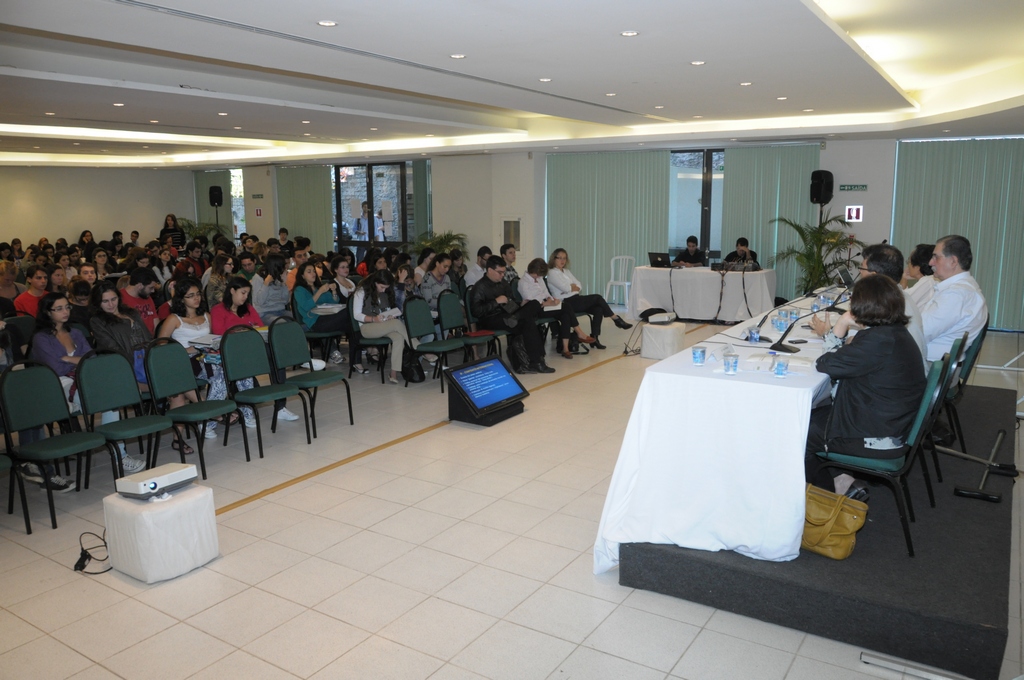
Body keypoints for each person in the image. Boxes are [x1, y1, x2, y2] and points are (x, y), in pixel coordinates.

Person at [805, 275, 927, 498]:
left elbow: (826, 364)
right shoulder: (893, 333)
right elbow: (843, 361)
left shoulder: (877, 341)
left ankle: (829, 498)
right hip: (888, 424)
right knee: (814, 414)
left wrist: (841, 323)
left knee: (797, 430)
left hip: (876, 437)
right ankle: (844, 481)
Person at [32, 293, 146, 481]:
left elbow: (91, 358)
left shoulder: (75, 332)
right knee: (104, 398)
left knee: (110, 398)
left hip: (84, 377)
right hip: (59, 383)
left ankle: (119, 454)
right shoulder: (41, 338)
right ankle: (119, 453)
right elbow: (56, 367)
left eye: (67, 307)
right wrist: (77, 361)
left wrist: (70, 359)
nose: (65, 312)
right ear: (47, 312)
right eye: (58, 308)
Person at [811, 244, 927, 373]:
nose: (859, 272)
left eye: (861, 268)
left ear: (873, 276)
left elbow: (832, 363)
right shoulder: (898, 300)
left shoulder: (880, 310)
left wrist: (832, 332)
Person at [158, 277, 255, 433]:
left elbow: (213, 337)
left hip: (205, 355)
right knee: (219, 375)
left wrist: (213, 344)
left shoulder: (205, 315)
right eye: (190, 296)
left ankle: (221, 416)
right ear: (181, 299)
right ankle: (210, 418)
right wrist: (189, 349)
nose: (196, 298)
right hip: (184, 359)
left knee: (232, 370)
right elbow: (160, 348)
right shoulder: (174, 319)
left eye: (198, 294)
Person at [212, 277, 301, 423]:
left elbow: (260, 326)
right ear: (232, 291)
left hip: (253, 348)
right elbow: (219, 334)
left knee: (276, 358)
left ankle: (280, 407)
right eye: (243, 293)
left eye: (247, 293)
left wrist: (252, 331)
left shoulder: (247, 308)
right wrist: (243, 331)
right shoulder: (218, 310)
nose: (245, 297)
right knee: (273, 355)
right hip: (233, 352)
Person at [471, 255, 554, 374]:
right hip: (490, 319)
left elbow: (511, 301)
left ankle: (536, 361)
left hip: (508, 315)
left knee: (534, 304)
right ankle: (537, 361)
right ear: (490, 270)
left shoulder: (503, 283)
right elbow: (476, 311)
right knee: (528, 321)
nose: (502, 275)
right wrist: (495, 302)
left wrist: (520, 304)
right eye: (500, 272)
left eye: (503, 272)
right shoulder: (479, 287)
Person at [919, 235, 987, 364]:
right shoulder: (963, 289)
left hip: (929, 365)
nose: (930, 263)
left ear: (953, 261)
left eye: (936, 257)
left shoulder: (956, 294)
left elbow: (921, 333)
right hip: (935, 363)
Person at [545, 248, 632, 349]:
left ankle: (595, 339)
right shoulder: (551, 273)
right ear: (554, 259)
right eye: (559, 258)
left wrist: (572, 287)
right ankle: (615, 318)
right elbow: (565, 287)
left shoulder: (567, 271)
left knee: (598, 309)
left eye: (564, 258)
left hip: (576, 299)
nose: (562, 261)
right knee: (598, 298)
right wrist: (571, 287)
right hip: (567, 303)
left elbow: (579, 285)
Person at [519, 258, 596, 359]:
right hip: (536, 310)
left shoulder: (539, 278)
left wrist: (552, 300)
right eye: (537, 275)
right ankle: (579, 332)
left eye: (540, 276)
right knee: (567, 307)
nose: (538, 278)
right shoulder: (523, 282)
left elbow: (545, 292)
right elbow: (530, 301)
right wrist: (547, 303)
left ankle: (565, 348)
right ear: (532, 271)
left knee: (565, 315)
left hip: (546, 305)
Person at [293, 262, 363, 369]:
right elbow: (306, 306)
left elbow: (334, 302)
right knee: (349, 312)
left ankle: (356, 362)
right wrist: (320, 292)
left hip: (327, 318)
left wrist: (334, 291)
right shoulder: (299, 290)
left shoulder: (318, 287)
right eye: (309, 272)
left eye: (314, 271)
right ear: (302, 275)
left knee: (352, 326)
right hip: (314, 322)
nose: (313, 274)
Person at [88, 280, 153, 393]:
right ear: (98, 303)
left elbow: (148, 337)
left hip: (146, 358)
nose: (111, 304)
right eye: (105, 301)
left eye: (114, 299)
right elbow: (111, 349)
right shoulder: (97, 321)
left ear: (119, 298)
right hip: (125, 364)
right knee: (169, 384)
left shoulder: (132, 312)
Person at [351, 270, 412, 383]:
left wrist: (389, 315)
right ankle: (417, 346)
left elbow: (387, 309)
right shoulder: (361, 291)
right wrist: (374, 319)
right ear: (375, 283)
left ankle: (393, 372)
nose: (384, 290)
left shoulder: (384, 292)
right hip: (366, 327)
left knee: (398, 337)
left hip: (381, 325)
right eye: (382, 287)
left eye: (386, 287)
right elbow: (356, 315)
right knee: (397, 323)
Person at [251, 254, 291, 324]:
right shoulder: (258, 278)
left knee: (299, 319)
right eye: (283, 265)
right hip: (264, 313)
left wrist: (284, 284)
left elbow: (285, 301)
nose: (285, 268)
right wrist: (266, 284)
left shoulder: (279, 276)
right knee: (281, 323)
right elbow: (259, 301)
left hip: (281, 310)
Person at [120, 267, 160, 334]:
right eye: (151, 288)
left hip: (152, 341)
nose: (153, 291)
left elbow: (155, 321)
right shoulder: (120, 299)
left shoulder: (147, 297)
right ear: (140, 286)